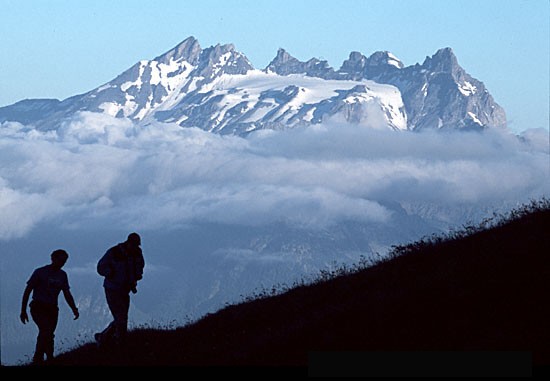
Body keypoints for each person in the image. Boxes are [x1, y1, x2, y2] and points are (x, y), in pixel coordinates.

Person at [20, 249, 80, 364]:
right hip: (38, 307)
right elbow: (28, 290)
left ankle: (47, 358)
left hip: (52, 309)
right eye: (61, 260)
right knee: (46, 330)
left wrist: (74, 308)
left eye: (64, 261)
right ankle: (40, 358)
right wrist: (23, 310)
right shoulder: (40, 272)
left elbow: (67, 293)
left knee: (48, 333)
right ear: (53, 259)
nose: (62, 263)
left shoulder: (63, 275)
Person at [95, 232, 144, 347]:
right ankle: (120, 343)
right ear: (128, 243)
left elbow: (140, 265)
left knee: (121, 317)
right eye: (134, 245)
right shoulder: (114, 252)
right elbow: (100, 267)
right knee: (121, 318)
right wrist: (110, 273)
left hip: (125, 289)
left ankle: (103, 337)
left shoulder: (137, 253)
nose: (136, 247)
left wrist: (137, 275)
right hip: (112, 289)